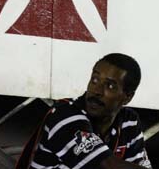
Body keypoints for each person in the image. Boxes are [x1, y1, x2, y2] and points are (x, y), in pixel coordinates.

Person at [19, 53, 152, 169]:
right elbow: (107, 165)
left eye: (110, 86)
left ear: (127, 97)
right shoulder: (65, 115)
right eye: (95, 80)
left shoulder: (129, 121)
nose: (96, 91)